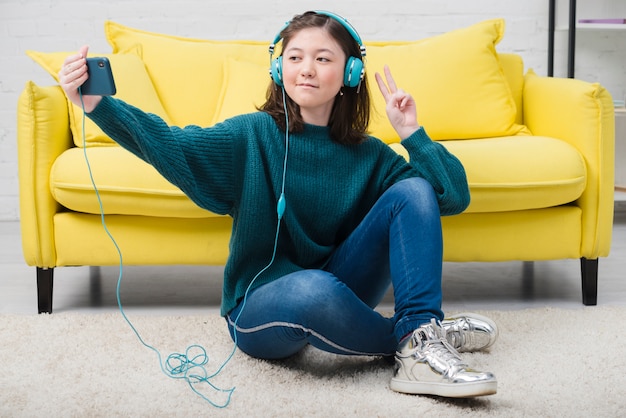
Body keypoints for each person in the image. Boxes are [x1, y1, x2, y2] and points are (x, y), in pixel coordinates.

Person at [59, 11, 498, 398]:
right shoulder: (252, 134)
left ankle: (421, 330)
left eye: (323, 58)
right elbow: (173, 144)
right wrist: (99, 106)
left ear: (350, 73)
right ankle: (420, 339)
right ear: (277, 67)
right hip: (260, 306)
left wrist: (412, 134)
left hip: (340, 287)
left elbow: (450, 197)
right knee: (312, 288)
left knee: (414, 190)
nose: (306, 69)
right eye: (294, 57)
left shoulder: (370, 154)